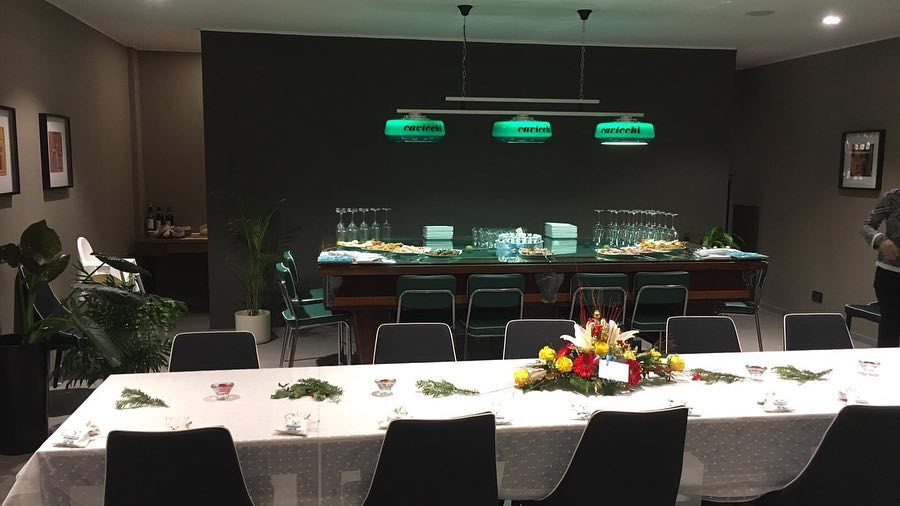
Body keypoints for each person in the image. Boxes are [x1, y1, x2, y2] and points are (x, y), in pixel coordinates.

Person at [862, 189, 900, 347]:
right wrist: (881, 240)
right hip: (890, 275)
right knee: (890, 330)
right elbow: (867, 226)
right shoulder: (893, 197)